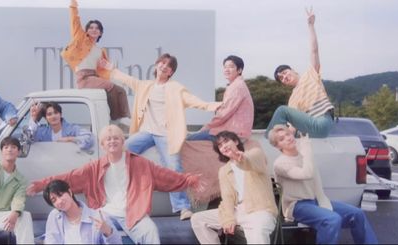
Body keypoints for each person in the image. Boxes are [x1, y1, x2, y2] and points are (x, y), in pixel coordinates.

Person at [26, 125, 206, 244]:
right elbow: (69, 178)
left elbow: (165, 176)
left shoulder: (140, 164)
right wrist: (42, 184)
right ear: (103, 145)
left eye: (116, 138)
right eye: (108, 139)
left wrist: (189, 180)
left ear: (122, 142)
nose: (112, 141)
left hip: (133, 213)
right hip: (105, 213)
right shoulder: (94, 167)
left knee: (150, 231)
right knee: (94, 234)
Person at [99, 53, 221, 220]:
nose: (164, 66)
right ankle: (116, 198)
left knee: (173, 167)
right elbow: (126, 79)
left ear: (171, 72)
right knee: (120, 153)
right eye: (162, 63)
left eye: (168, 66)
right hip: (146, 132)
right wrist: (111, 69)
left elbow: (192, 100)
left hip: (165, 135)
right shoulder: (145, 86)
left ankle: (183, 207)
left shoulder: (175, 88)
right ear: (156, 65)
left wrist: (211, 105)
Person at [268, 125, 378, 244]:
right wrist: (306, 149)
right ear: (277, 146)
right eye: (281, 139)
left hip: (315, 200)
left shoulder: (303, 154)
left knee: (357, 214)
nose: (288, 138)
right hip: (296, 206)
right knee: (332, 219)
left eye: (288, 134)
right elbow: (307, 173)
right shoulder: (280, 164)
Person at [190, 131, 277, 244]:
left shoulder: (256, 153)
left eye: (226, 141)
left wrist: (239, 157)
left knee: (257, 235)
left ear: (235, 141)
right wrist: (228, 218)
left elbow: (249, 161)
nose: (224, 146)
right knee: (198, 219)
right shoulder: (224, 171)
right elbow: (228, 198)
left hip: (260, 210)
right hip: (238, 211)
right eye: (220, 145)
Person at [265, 8, 335, 138]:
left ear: (293, 70)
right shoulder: (292, 100)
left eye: (285, 73)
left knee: (281, 111)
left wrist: (311, 26)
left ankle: (268, 140)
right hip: (309, 131)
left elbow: (314, 50)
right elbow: (292, 127)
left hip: (322, 120)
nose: (284, 77)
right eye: (282, 78)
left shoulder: (310, 74)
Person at [61, 0, 130, 122]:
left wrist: (110, 67)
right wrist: (73, 4)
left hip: (95, 77)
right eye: (91, 27)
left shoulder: (100, 50)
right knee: (110, 86)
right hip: (84, 79)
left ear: (101, 33)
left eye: (97, 28)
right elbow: (74, 19)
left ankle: (125, 119)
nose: (94, 30)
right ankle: (114, 119)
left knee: (121, 90)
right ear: (86, 31)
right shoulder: (80, 39)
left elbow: (106, 71)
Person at [187, 55, 254, 142]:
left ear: (239, 70)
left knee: (189, 139)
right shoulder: (237, 85)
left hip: (234, 133)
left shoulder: (237, 87)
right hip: (236, 130)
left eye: (231, 67)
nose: (226, 69)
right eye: (225, 67)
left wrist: (205, 128)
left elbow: (223, 114)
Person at [42, 179, 121, 244]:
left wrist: (107, 231)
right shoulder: (55, 217)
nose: (59, 201)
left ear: (70, 192)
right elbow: (51, 241)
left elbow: (117, 243)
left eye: (60, 195)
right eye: (54, 200)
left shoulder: (98, 216)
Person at [28, 101, 94, 151]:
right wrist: (33, 118)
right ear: (46, 118)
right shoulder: (43, 132)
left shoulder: (71, 129)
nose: (53, 116)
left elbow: (89, 138)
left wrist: (69, 139)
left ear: (60, 114)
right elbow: (29, 139)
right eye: (49, 114)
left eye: (56, 112)